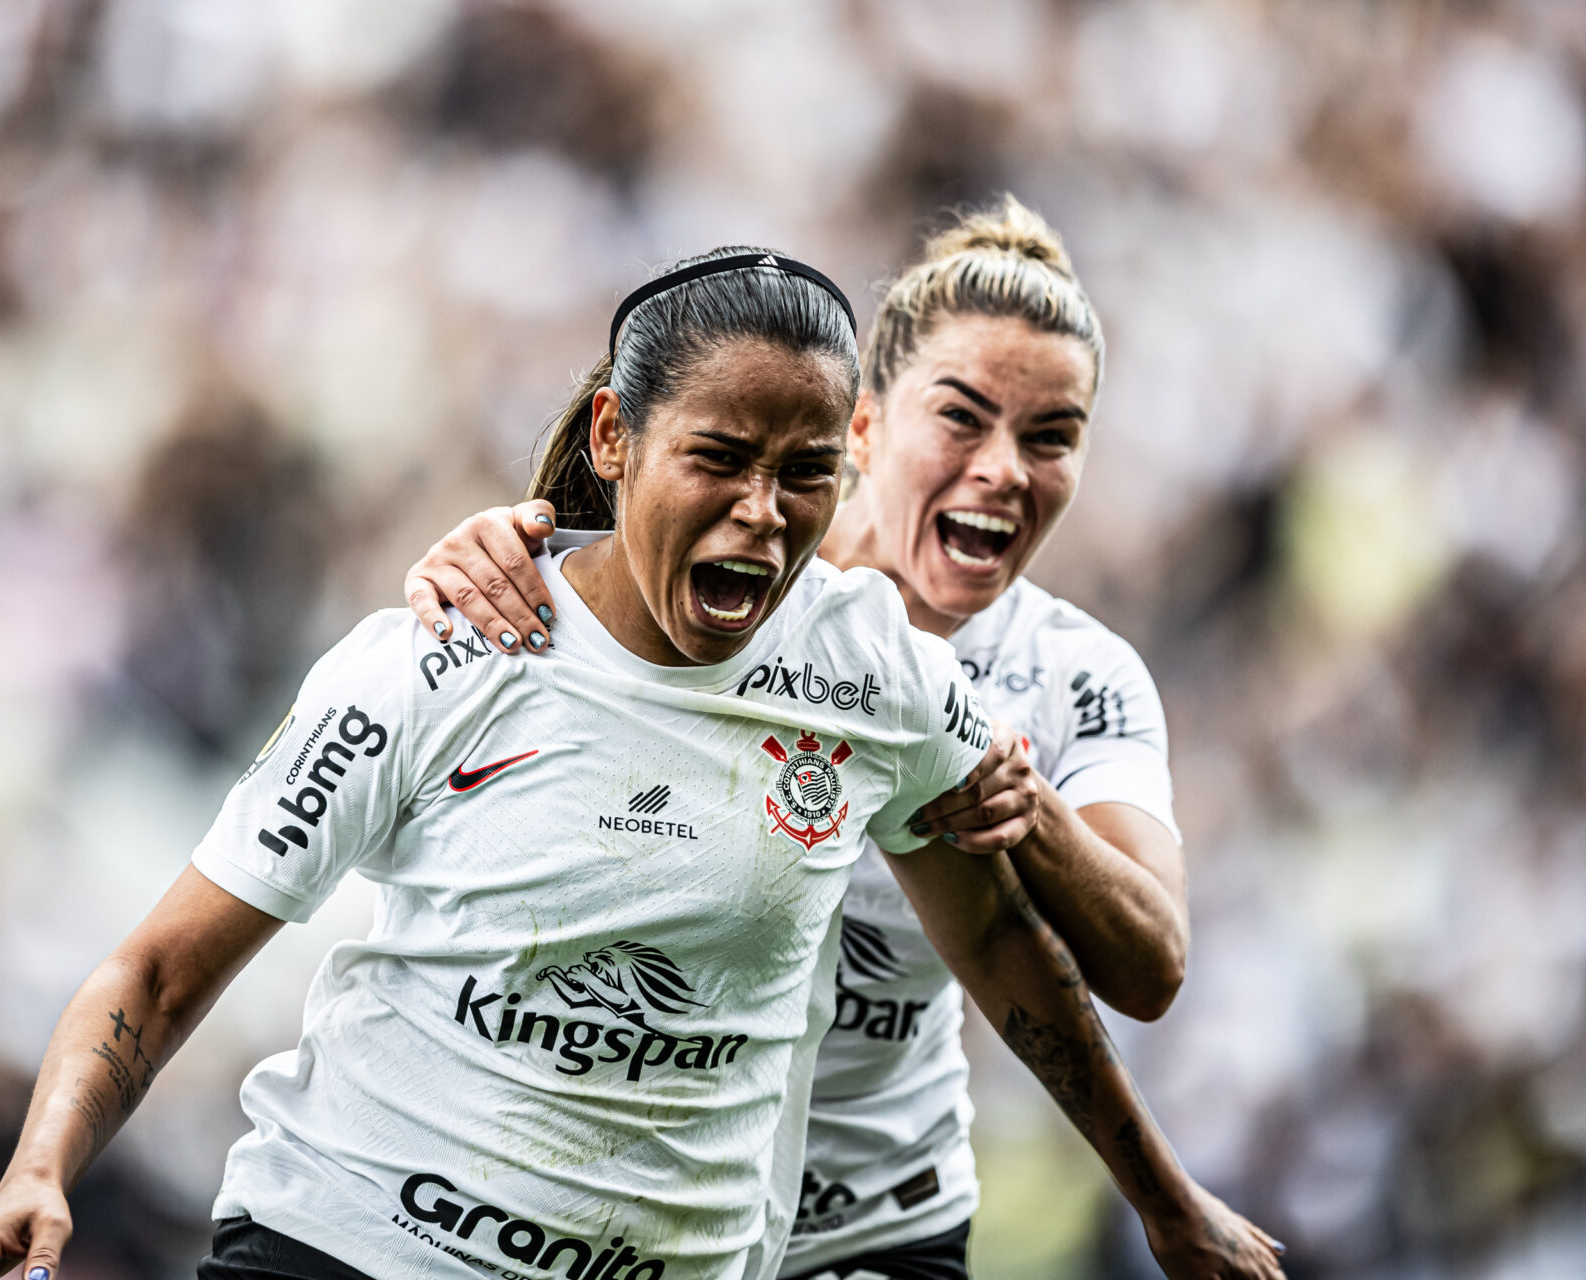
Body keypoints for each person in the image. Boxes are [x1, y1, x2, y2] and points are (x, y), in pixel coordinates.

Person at [0, 246, 1277, 1280]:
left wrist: (1162, 1197)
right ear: (614, 442)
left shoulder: (884, 672)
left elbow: (1009, 949)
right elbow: (159, 965)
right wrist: (39, 1169)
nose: (764, 511)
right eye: (721, 460)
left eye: (803, 473)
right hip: (356, 1246)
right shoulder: (441, 654)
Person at [405, 198, 1261, 1280]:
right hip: (623, 1216)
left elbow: (1145, 961)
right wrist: (474, 562)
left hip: (874, 1226)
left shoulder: (1075, 676)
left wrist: (1022, 805)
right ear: (862, 429)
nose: (1005, 467)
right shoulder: (712, 589)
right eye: (963, 418)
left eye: (1053, 437)